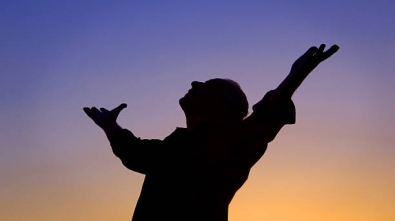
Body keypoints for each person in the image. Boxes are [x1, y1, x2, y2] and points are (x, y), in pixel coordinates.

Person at [83, 44, 339, 221]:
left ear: (223, 106)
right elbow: (135, 153)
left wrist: (295, 76)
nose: (195, 83)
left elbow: (269, 114)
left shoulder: (234, 140)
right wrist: (109, 125)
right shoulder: (173, 145)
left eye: (209, 85)